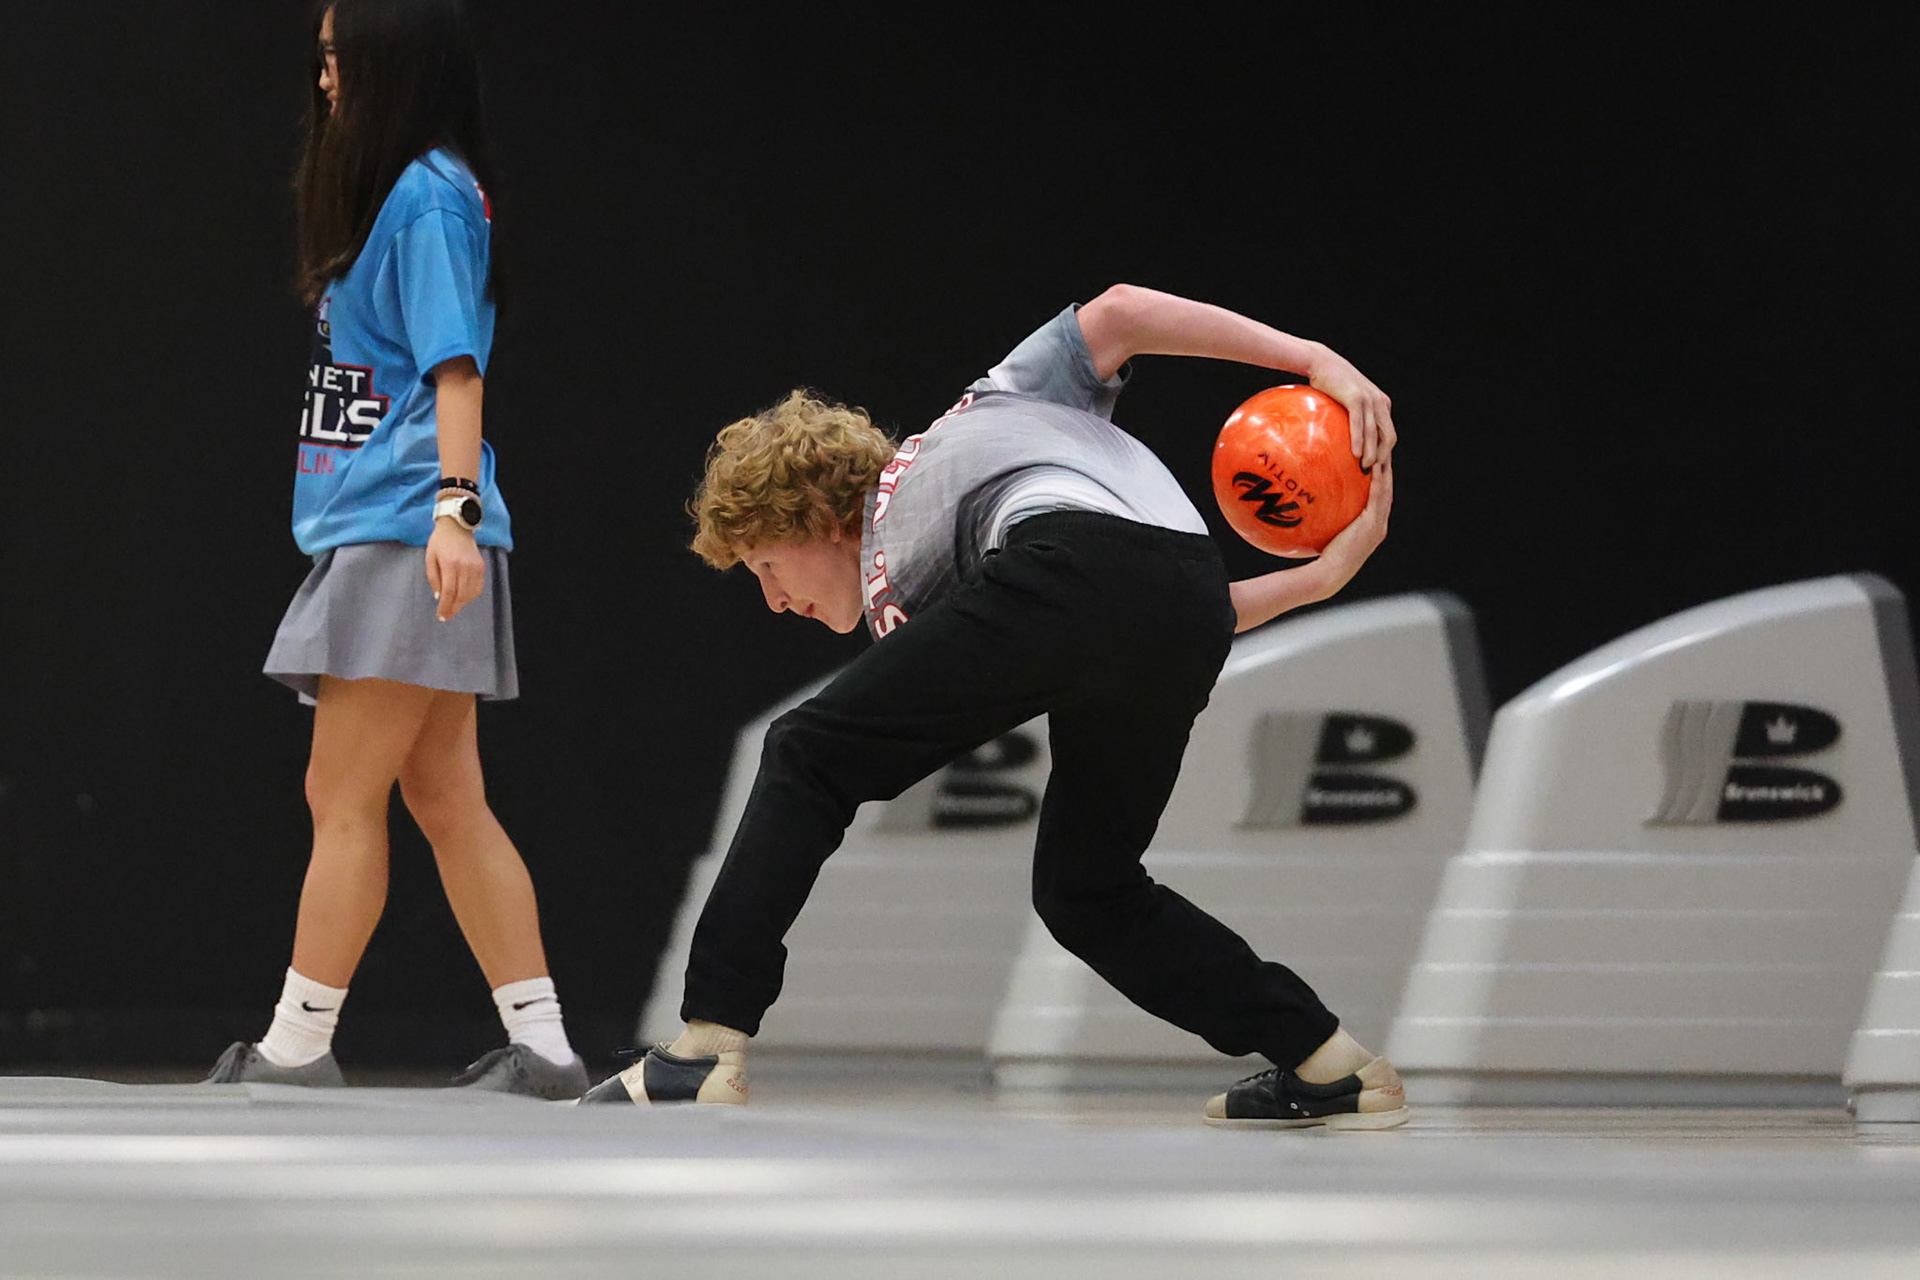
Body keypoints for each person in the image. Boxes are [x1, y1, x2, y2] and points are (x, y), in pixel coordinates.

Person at [583, 284, 1406, 1127]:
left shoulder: (896, 579)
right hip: (1187, 592)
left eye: (765, 566)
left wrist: (1316, 363)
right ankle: (1328, 1062)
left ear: (818, 517)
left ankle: (705, 1045)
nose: (774, 602)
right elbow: (1151, 586)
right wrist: (1316, 577)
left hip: (1075, 566)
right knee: (1090, 893)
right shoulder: (998, 400)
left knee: (806, 753)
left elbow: (1119, 320)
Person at [203, 0, 586, 1099]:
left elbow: (457, 369)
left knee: (342, 790)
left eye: (335, 59)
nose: (321, 79)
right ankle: (547, 1047)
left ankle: (296, 1042)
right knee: (445, 796)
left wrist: (454, 513)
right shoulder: (420, 189)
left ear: (385, 64)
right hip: (395, 527)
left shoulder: (424, 196)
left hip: (406, 528)